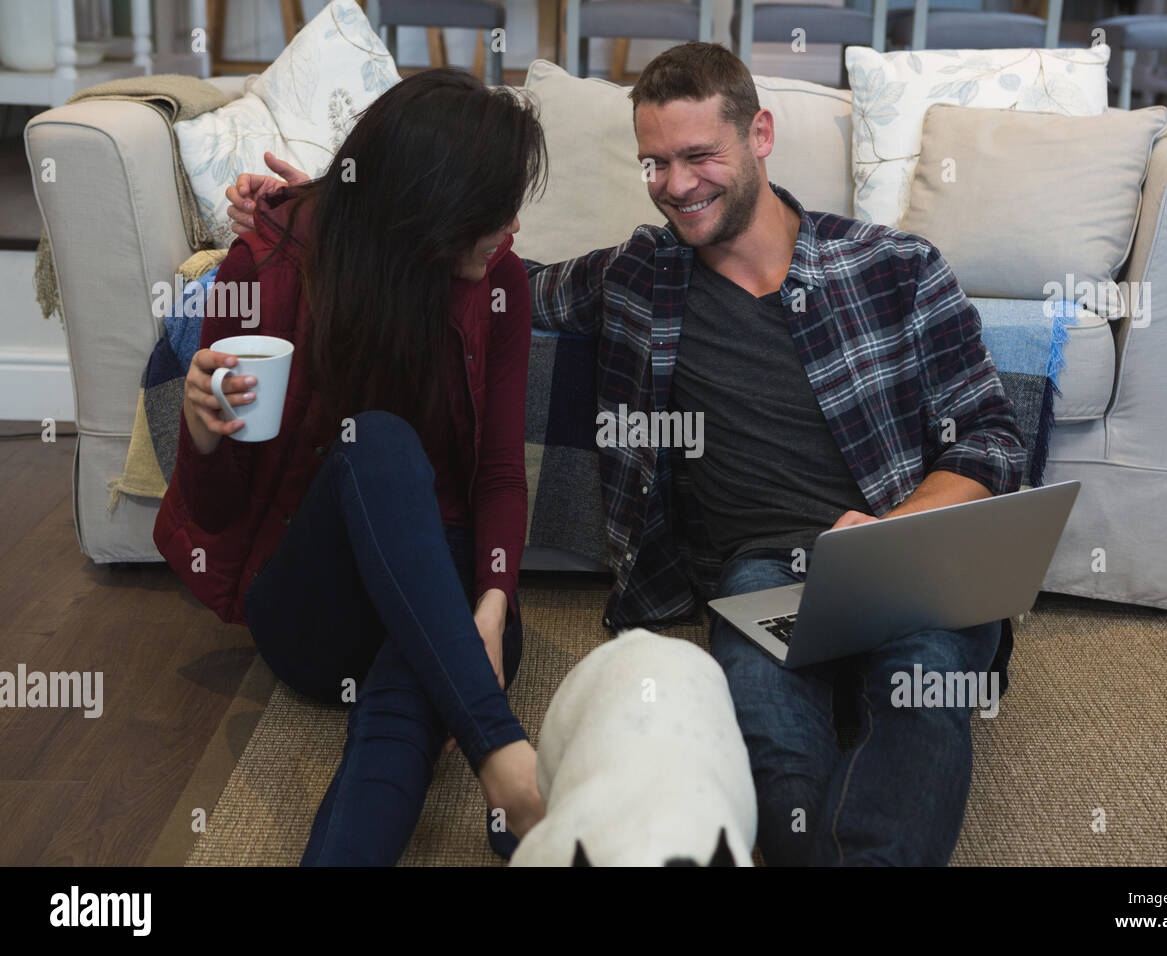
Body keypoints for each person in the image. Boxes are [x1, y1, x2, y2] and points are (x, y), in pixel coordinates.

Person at [228, 43, 1026, 866]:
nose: (676, 186)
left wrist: (893, 529)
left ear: (760, 134)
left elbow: (993, 437)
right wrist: (314, 209)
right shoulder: (639, 272)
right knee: (770, 747)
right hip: (758, 576)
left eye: (697, 156)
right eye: (654, 164)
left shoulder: (895, 268)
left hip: (905, 550)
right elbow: (473, 255)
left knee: (920, 696)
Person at [157, 69, 548, 865]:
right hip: (313, 607)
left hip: (439, 592)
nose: (510, 226)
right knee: (376, 441)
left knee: (407, 701)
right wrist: (202, 438)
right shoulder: (264, 273)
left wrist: (493, 605)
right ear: (424, 214)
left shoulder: (501, 285)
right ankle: (507, 759)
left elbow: (501, 475)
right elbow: (223, 512)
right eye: (492, 208)